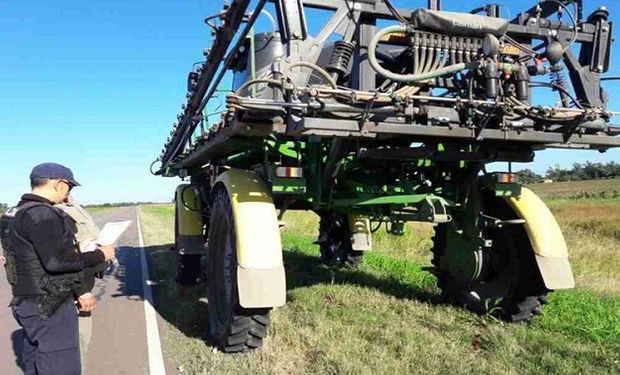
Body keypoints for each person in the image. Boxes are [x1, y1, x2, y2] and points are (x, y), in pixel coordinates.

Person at [0, 162, 115, 375]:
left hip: (25, 303)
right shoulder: (44, 214)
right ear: (59, 184)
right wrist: (102, 254)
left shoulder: (12, 213)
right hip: (50, 306)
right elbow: (58, 262)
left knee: (35, 362)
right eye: (69, 187)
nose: (68, 193)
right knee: (60, 366)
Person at [56, 196, 104, 373]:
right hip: (72, 287)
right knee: (74, 341)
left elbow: (92, 233)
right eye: (68, 186)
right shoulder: (53, 213)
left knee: (80, 339)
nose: (70, 192)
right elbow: (64, 260)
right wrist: (82, 291)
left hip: (82, 279)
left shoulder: (73, 206)